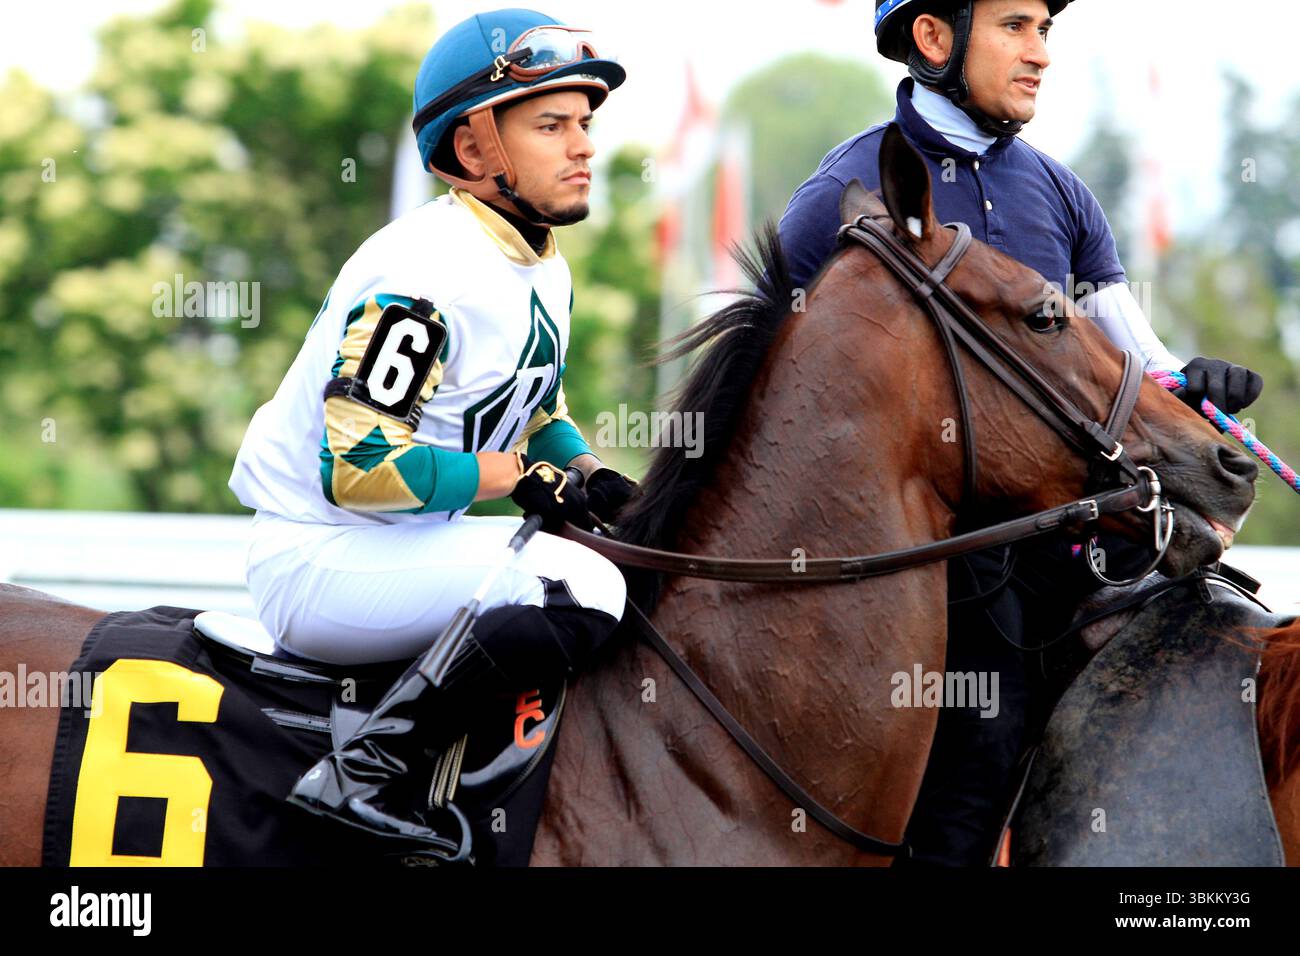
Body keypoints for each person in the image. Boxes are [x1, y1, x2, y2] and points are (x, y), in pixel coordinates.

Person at [777, 0, 1265, 865]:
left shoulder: (1059, 191)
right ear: (935, 38)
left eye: (1045, 29)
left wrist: (1194, 389)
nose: (1040, 53)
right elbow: (781, 413)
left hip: (1058, 533)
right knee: (986, 729)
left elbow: (1137, 366)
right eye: (1015, 26)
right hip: (921, 554)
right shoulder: (837, 199)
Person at [227, 8, 636, 850]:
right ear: (475, 148)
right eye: (552, 124)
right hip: (321, 554)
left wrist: (590, 472)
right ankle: (365, 772)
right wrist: (509, 478)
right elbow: (360, 470)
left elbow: (536, 408)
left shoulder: (537, 260)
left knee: (617, 557)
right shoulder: (422, 269)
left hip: (391, 549)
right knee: (580, 585)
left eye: (585, 123)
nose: (584, 145)